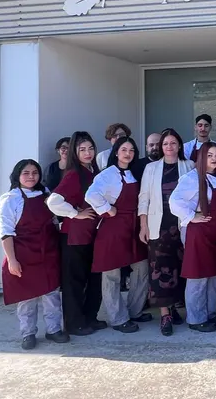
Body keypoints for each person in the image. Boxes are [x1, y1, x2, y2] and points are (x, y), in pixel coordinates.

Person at [85, 136, 151, 334]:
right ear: (116, 152)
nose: (128, 153)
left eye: (131, 150)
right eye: (124, 150)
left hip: (133, 227)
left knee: (141, 268)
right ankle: (118, 318)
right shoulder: (108, 174)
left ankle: (135, 310)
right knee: (111, 275)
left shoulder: (134, 173)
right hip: (113, 229)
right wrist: (107, 209)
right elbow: (91, 195)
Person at [0, 159, 68, 350]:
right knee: (27, 297)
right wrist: (12, 260)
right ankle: (28, 333)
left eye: (35, 173)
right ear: (17, 175)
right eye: (26, 173)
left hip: (48, 252)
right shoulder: (10, 198)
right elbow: (5, 232)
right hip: (24, 254)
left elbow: (55, 220)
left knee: (52, 294)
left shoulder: (46, 195)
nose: (31, 177)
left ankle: (54, 330)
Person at [46, 131, 104, 336]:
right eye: (82, 150)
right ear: (74, 152)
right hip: (75, 236)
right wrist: (75, 214)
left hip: (92, 234)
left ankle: (90, 317)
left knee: (93, 278)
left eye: (90, 148)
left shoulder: (92, 171)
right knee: (75, 281)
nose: (88, 153)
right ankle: (74, 323)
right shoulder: (73, 174)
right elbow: (53, 202)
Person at [138, 128, 194, 336]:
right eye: (165, 144)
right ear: (160, 147)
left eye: (173, 143)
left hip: (181, 225)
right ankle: (164, 314)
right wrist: (143, 225)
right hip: (158, 225)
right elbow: (144, 198)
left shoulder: (189, 166)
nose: (169, 147)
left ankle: (173, 307)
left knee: (179, 268)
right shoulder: (151, 168)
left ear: (179, 145)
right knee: (160, 268)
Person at [170, 142, 216, 333]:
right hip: (199, 232)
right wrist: (192, 216)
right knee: (199, 275)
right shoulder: (191, 178)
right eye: (210, 155)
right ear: (201, 157)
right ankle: (196, 318)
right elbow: (174, 202)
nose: (214, 159)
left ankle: (209, 312)